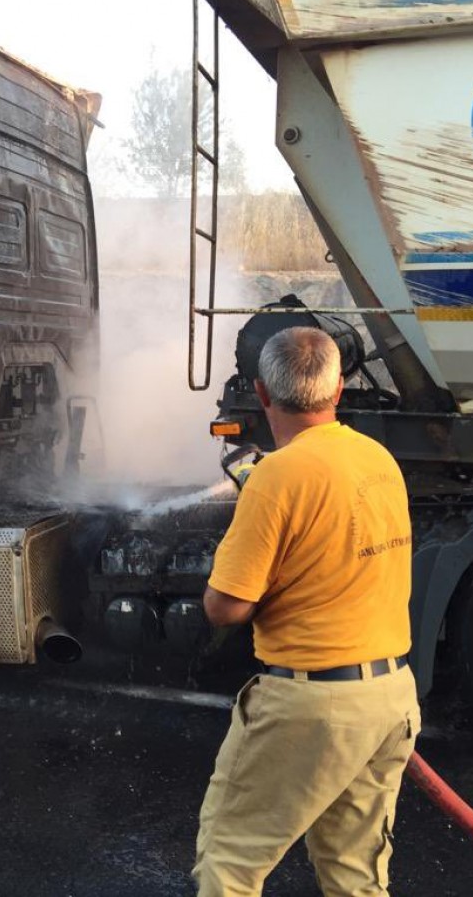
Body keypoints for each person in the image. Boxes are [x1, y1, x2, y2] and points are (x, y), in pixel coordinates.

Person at [193, 327, 420, 897]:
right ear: (338, 388)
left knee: (230, 864)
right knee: (354, 873)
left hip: (310, 706)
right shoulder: (377, 459)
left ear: (263, 394)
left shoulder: (275, 476)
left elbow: (226, 608)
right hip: (389, 698)